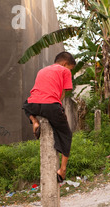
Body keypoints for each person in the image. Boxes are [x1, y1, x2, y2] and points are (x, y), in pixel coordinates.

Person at [22, 52, 76, 182]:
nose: (70, 71)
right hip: (50, 105)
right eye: (70, 68)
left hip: (33, 104)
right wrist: (59, 104)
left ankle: (34, 121)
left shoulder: (42, 70)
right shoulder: (64, 71)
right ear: (65, 64)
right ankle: (62, 170)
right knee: (66, 134)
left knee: (25, 105)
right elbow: (63, 92)